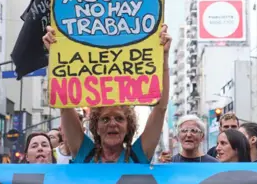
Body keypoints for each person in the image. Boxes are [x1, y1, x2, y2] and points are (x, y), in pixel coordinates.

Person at [42, 24, 172, 164]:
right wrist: (56, 53)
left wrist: (163, 56)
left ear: (128, 127)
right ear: (96, 127)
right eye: (105, 119)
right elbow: (65, 106)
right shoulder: (84, 153)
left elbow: (160, 110)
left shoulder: (138, 156)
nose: (112, 123)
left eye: (119, 118)